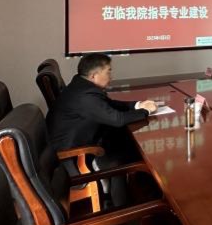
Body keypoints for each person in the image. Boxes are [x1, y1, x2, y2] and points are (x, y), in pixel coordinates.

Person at [46, 53, 157, 207]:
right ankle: (124, 207)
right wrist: (146, 112)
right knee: (136, 151)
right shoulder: (85, 96)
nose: (111, 76)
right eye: (108, 72)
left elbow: (109, 105)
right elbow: (117, 120)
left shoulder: (82, 86)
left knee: (130, 142)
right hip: (78, 157)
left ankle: (137, 195)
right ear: (94, 75)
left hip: (81, 143)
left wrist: (137, 105)